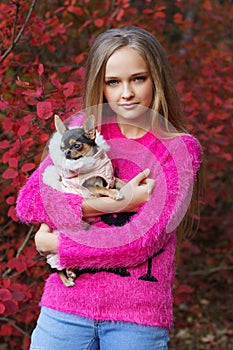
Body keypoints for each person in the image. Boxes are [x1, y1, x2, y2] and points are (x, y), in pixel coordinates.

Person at [16, 26, 202, 350]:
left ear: (157, 78)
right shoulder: (80, 132)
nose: (126, 93)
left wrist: (59, 246)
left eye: (138, 79)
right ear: (99, 85)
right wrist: (120, 203)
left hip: (137, 317)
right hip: (65, 306)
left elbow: (144, 240)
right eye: (113, 82)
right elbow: (30, 201)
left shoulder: (179, 149)